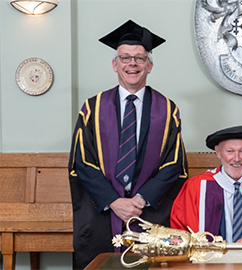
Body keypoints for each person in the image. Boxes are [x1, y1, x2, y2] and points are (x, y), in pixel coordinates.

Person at [68, 20, 188, 269]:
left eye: (139, 58)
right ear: (115, 64)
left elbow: (174, 163)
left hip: (148, 212)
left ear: (150, 66)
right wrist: (114, 201)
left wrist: (140, 200)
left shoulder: (167, 109)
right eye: (125, 58)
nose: (132, 64)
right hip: (102, 210)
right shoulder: (93, 107)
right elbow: (82, 161)